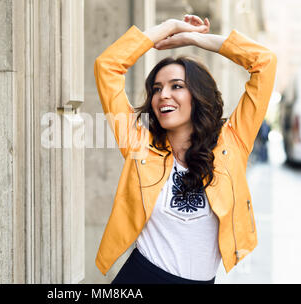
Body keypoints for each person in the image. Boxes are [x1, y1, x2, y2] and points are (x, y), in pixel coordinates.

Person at [93, 15, 277, 284]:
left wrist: (196, 39)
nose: (163, 95)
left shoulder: (232, 143)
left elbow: (264, 62)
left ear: (198, 95)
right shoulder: (138, 145)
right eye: (157, 89)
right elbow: (107, 66)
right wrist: (170, 26)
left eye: (176, 86)